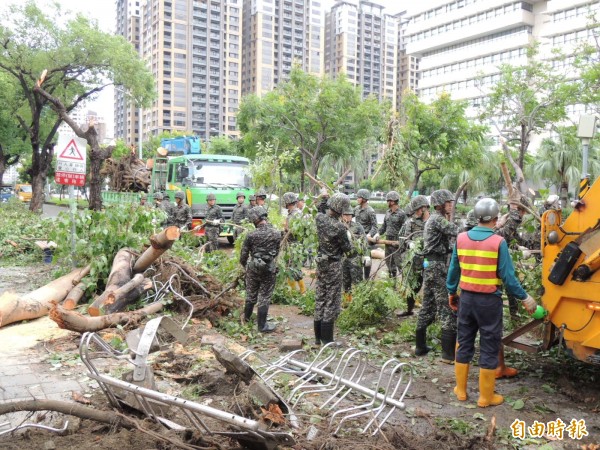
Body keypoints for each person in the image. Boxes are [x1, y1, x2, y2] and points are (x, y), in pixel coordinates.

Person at [447, 198, 538, 407]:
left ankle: (460, 390)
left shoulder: (461, 239)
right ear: (496, 219)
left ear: (476, 217)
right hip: (489, 302)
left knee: (464, 341)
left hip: (466, 300)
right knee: (489, 345)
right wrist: (525, 297)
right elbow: (508, 277)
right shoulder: (498, 242)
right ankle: (485, 397)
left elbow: (453, 271)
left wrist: (452, 292)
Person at [415, 189, 459, 362]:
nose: (450, 205)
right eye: (448, 202)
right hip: (437, 266)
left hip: (431, 265)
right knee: (446, 307)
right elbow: (457, 231)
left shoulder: (433, 219)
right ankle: (448, 354)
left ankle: (420, 346)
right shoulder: (438, 219)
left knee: (428, 305)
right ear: (440, 204)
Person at [314, 193, 352, 345]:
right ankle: (328, 341)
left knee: (320, 298)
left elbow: (321, 209)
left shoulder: (319, 219)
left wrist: (324, 197)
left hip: (321, 263)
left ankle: (318, 338)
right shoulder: (340, 227)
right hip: (334, 265)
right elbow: (348, 249)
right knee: (331, 300)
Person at [240, 206, 282, 333]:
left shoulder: (250, 235)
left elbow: (243, 256)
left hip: (253, 268)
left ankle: (246, 320)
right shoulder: (276, 233)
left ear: (254, 220)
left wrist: (246, 266)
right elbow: (276, 252)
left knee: (250, 294)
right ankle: (262, 326)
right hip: (268, 269)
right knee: (264, 296)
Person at [397, 195, 430, 317]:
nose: (415, 212)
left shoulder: (433, 221)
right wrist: (410, 243)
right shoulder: (410, 222)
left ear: (424, 208)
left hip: (429, 259)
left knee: (430, 285)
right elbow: (405, 238)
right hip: (414, 259)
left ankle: (428, 312)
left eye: (417, 209)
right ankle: (409, 309)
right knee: (412, 285)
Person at [373, 191, 406, 285]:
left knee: (400, 264)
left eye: (388, 201)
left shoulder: (402, 214)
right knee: (389, 263)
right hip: (387, 241)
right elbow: (384, 226)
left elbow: (405, 229)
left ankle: (405, 285)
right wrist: (378, 233)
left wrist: (401, 242)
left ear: (392, 201)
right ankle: (393, 284)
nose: (387, 202)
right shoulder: (387, 213)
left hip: (397, 242)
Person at [341, 205, 367, 304]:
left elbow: (364, 241)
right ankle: (347, 302)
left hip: (355, 258)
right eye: (345, 215)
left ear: (352, 216)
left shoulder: (357, 226)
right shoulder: (339, 226)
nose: (347, 217)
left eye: (349, 215)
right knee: (345, 281)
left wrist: (365, 255)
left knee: (358, 281)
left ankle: (360, 302)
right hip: (344, 258)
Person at [283, 192, 306, 293]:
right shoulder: (292, 213)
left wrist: (286, 230)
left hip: (295, 245)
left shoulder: (296, 214)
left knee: (293, 267)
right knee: (291, 266)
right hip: (291, 244)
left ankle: (300, 290)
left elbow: (293, 230)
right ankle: (294, 290)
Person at [354, 189, 378, 280]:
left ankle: (366, 279)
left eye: (359, 197)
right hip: (356, 238)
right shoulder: (356, 209)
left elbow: (375, 227)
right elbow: (347, 215)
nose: (357, 199)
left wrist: (369, 235)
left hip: (366, 239)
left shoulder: (370, 211)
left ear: (364, 199)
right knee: (357, 259)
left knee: (367, 260)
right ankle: (359, 279)